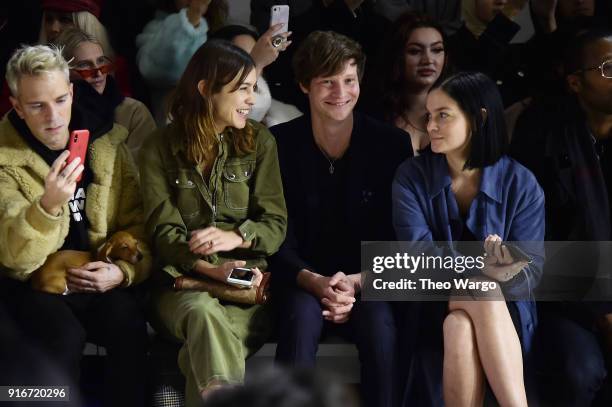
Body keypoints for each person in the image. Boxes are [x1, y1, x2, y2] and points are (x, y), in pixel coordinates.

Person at [0, 44, 151, 406]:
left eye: (59, 100)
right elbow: (13, 257)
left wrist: (122, 273)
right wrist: (48, 206)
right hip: (29, 283)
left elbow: (139, 226)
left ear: (71, 92)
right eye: (37, 105)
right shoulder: (5, 159)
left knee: (127, 323)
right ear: (17, 106)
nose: (53, 116)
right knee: (61, 337)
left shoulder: (108, 142)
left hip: (98, 273)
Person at [269, 31, 413, 407]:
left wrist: (359, 282)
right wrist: (313, 280)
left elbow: (400, 234)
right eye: (327, 82)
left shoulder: (391, 144)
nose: (340, 92)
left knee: (380, 325)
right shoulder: (277, 144)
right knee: (299, 321)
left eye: (349, 80)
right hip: (302, 277)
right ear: (304, 85)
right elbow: (274, 231)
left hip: (370, 278)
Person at [139, 40, 287, 406]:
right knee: (203, 315)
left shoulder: (261, 143)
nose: (252, 100)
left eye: (254, 88)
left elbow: (275, 224)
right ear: (205, 89)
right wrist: (210, 269)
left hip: (245, 293)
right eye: (242, 89)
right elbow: (163, 233)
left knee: (201, 351)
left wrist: (234, 237)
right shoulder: (158, 147)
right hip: (180, 286)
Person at [393, 71, 544, 406]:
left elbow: (531, 274)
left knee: (461, 325)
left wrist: (506, 273)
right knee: (481, 290)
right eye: (429, 116)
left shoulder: (522, 183)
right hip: (432, 303)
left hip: (505, 313)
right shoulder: (410, 177)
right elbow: (419, 262)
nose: (430, 126)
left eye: (443, 116)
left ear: (479, 117)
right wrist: (486, 270)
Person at [511, 28, 612, 406]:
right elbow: (533, 239)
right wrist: (602, 311)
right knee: (577, 371)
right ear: (575, 81)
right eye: (608, 67)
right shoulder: (541, 133)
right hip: (566, 297)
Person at [54, 27, 156, 162]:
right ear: (64, 71)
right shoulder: (54, 116)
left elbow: (141, 171)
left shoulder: (133, 112)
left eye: (101, 61)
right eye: (85, 65)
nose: (98, 73)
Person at [367, 11, 448, 154]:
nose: (428, 60)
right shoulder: (373, 116)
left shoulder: (459, 114)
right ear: (397, 56)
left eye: (436, 50)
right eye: (415, 51)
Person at [209, 24, 302, 128]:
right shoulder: (209, 107)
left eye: (257, 53)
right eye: (244, 59)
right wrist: (256, 63)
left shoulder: (287, 116)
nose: (251, 100)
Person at [448, 0, 529, 106]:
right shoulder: (445, 48)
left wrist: (547, 20)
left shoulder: (515, 54)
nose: (503, 1)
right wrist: (507, 14)